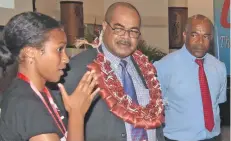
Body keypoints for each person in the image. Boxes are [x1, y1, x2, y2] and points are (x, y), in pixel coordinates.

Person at [53, 2, 165, 141]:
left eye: (133, 31)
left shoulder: (146, 69)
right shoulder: (78, 69)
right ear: (105, 27)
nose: (126, 37)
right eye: (119, 29)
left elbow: (156, 117)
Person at [0, 12, 100, 141]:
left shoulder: (41, 92)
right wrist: (76, 114)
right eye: (59, 50)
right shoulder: (26, 103)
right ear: (30, 52)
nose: (66, 59)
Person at [154, 14, 227, 141]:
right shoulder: (164, 66)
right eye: (194, 35)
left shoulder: (219, 67)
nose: (200, 41)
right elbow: (156, 107)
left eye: (206, 36)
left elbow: (218, 103)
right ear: (184, 35)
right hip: (177, 138)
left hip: (213, 137)